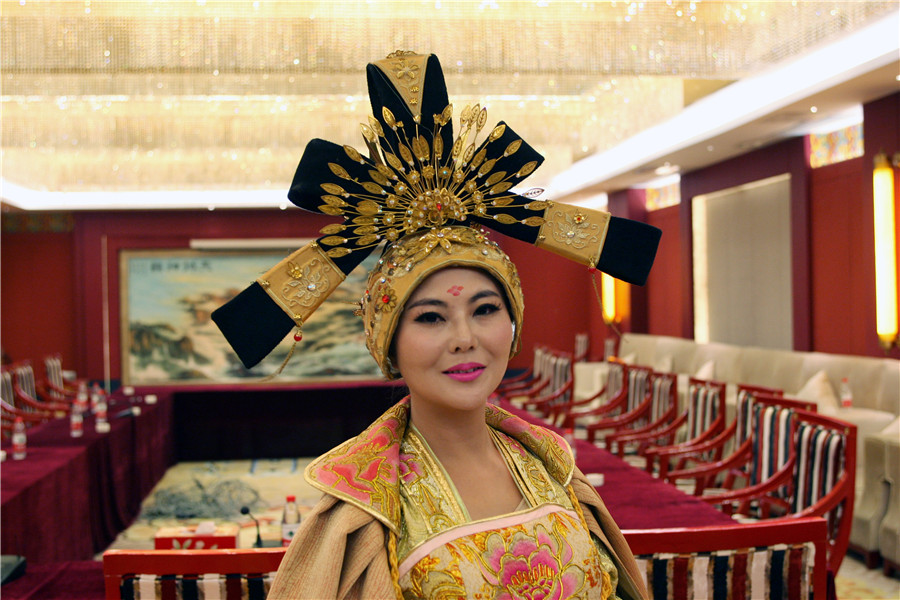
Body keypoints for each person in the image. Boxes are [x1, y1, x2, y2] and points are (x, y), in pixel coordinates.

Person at [211, 51, 661, 599]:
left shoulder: (554, 467)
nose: (465, 338)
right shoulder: (359, 516)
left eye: (485, 309)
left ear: (513, 324)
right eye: (430, 317)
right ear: (388, 345)